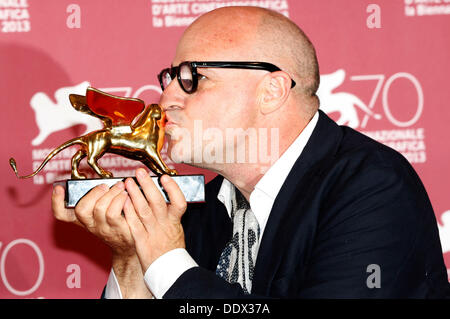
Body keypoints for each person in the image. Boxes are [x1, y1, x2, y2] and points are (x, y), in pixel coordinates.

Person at [52, 6, 449, 298]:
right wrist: (131, 257)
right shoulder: (197, 208)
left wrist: (164, 257)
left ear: (272, 90)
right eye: (169, 78)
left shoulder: (371, 188)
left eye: (193, 77)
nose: (165, 99)